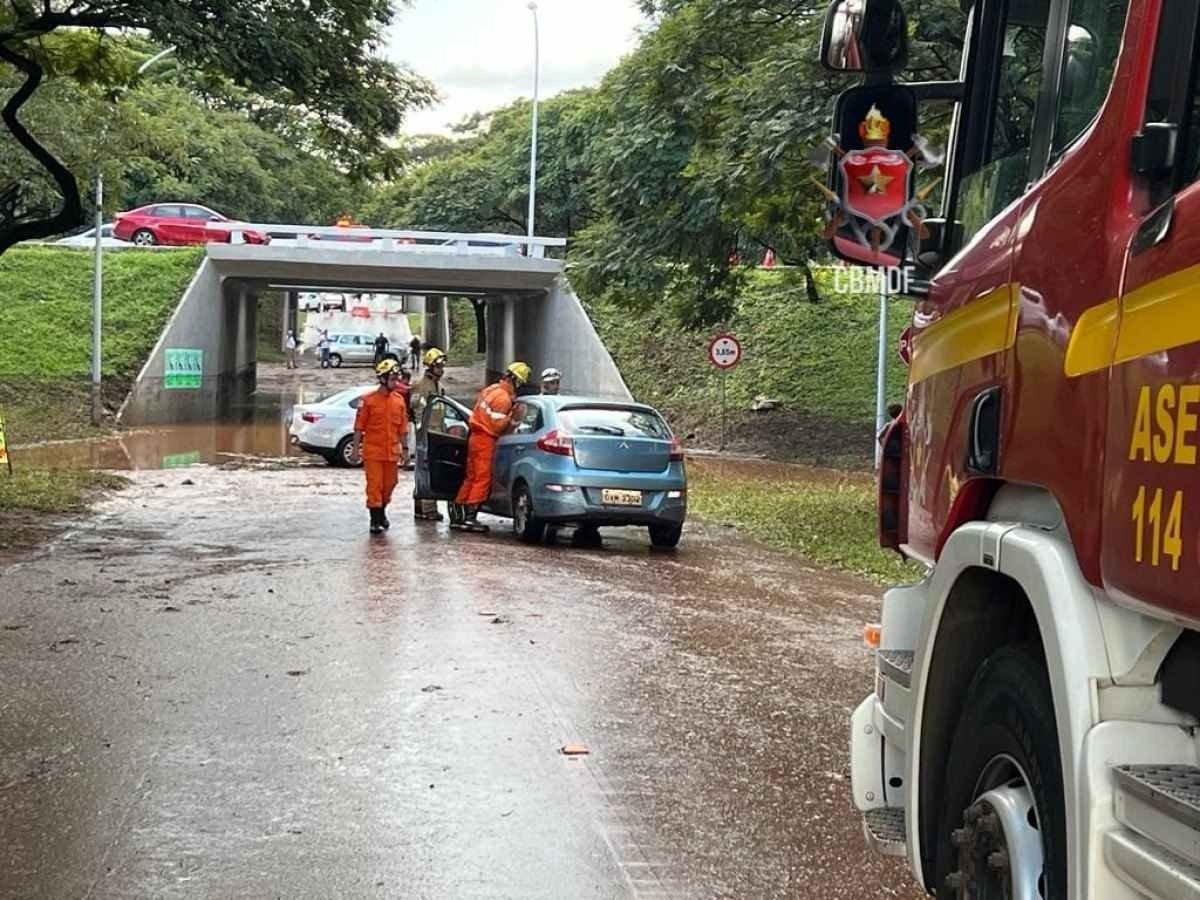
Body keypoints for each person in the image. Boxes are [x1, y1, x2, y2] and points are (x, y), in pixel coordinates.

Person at [450, 361, 531, 533]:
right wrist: (513, 418)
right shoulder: (503, 399)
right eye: (520, 383)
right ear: (515, 380)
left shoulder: (492, 389)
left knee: (471, 477)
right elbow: (498, 426)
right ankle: (470, 517)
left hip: (475, 437)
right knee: (482, 479)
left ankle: (458, 515)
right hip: (486, 440)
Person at [352, 358, 410, 535]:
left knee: (390, 484)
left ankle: (382, 511)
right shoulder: (368, 401)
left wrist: (405, 451)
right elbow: (359, 427)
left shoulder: (399, 401)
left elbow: (403, 429)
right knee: (375, 486)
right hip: (373, 452)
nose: (396, 382)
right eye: (392, 379)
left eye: (396, 378)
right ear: (383, 379)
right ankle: (375, 519)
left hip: (391, 452)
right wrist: (356, 449)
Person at [411, 348, 448, 520]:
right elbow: (417, 411)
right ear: (430, 366)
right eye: (439, 366)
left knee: (431, 470)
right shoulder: (421, 385)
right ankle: (427, 509)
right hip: (426, 435)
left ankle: (421, 506)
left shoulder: (439, 387)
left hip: (437, 433)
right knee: (426, 471)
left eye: (442, 366)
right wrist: (422, 434)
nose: (441, 370)